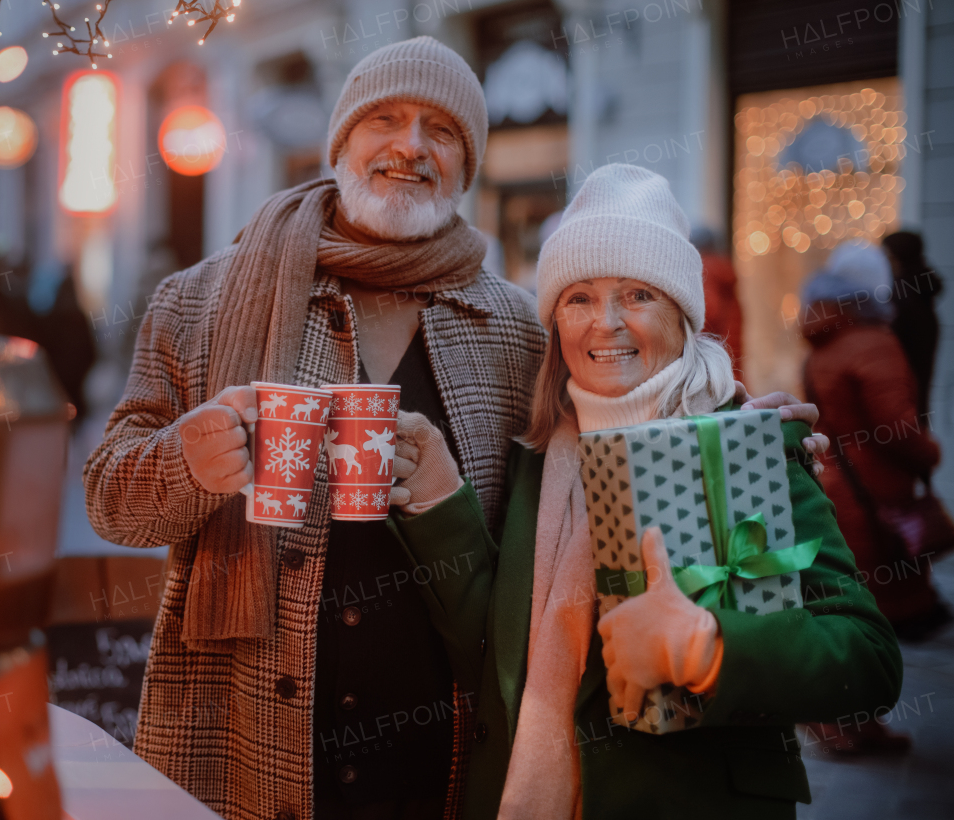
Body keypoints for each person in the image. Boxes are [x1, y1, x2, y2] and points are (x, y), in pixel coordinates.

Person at [85, 36, 544, 820]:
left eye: (442, 130)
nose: (411, 145)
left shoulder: (517, 329)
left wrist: (750, 420)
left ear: (467, 168)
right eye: (386, 120)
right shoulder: (197, 301)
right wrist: (185, 462)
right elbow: (108, 499)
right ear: (339, 143)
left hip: (435, 757)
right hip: (242, 741)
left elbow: (565, 508)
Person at [386, 164, 901, 818]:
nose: (605, 322)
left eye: (637, 294)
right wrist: (439, 496)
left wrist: (712, 648)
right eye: (578, 298)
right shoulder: (541, 460)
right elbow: (494, 655)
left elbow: (870, 659)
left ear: (681, 312)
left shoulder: (743, 448)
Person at [801, 242, 949, 643]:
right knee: (895, 608)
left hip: (840, 488)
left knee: (860, 597)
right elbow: (896, 426)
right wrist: (930, 452)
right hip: (878, 492)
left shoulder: (821, 346)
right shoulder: (874, 343)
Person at [882, 230, 942, 421]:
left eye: (886, 256)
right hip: (914, 407)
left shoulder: (901, 302)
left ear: (896, 258)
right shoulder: (920, 300)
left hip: (899, 412)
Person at [692, 227, 743, 376]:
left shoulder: (707, 272)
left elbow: (706, 316)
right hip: (729, 359)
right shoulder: (725, 270)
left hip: (713, 365)